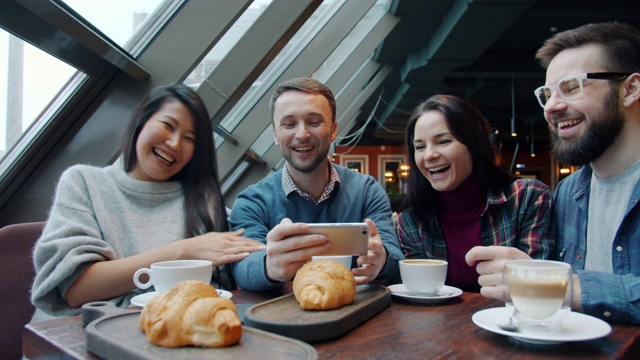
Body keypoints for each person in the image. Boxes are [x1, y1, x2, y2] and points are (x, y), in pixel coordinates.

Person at [31, 83, 264, 321]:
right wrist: (183, 251)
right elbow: (77, 289)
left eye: (188, 138)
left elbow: (247, 250)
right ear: (141, 121)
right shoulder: (84, 182)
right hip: (83, 336)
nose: (174, 143)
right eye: (168, 125)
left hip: (170, 335)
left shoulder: (202, 203)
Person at [466, 22, 640, 325]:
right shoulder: (569, 192)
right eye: (547, 94)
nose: (552, 107)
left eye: (572, 87)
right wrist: (534, 276)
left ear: (630, 89)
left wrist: (563, 284)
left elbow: (567, 289)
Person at [229, 77, 403, 291]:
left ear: (333, 130)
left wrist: (382, 258)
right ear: (275, 134)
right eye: (289, 124)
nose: (302, 134)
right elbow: (243, 268)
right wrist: (269, 266)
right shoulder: (252, 201)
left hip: (359, 313)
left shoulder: (367, 191)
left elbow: (396, 261)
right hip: (279, 319)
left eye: (314, 122)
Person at [396, 94, 554, 293]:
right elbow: (421, 296)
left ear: (474, 144)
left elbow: (544, 288)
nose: (429, 155)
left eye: (443, 141)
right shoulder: (411, 222)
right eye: (419, 147)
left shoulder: (528, 198)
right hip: (440, 323)